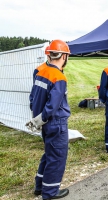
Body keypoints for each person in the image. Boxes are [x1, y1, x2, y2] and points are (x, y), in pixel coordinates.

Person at [26, 39, 71, 199]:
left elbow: (33, 98)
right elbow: (52, 106)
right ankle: (50, 191)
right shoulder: (59, 77)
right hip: (55, 123)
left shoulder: (40, 71)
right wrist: (41, 119)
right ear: (64, 56)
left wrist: (36, 119)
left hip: (43, 122)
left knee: (49, 153)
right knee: (57, 156)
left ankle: (40, 186)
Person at [30, 46, 51, 110]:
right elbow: (35, 88)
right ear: (47, 55)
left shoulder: (59, 69)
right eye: (51, 56)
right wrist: (32, 102)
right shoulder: (38, 70)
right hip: (41, 102)